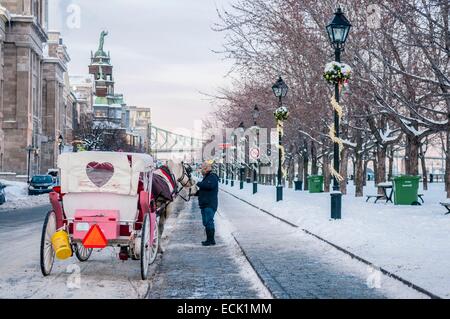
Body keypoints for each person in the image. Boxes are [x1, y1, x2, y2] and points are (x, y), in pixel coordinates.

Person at [196, 160, 219, 246]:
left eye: (202, 169)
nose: (201, 171)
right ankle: (209, 239)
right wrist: (196, 193)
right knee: (206, 222)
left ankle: (211, 240)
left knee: (209, 221)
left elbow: (209, 186)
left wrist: (198, 183)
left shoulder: (212, 177)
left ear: (206, 169)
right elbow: (204, 189)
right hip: (205, 204)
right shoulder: (206, 178)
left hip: (210, 204)